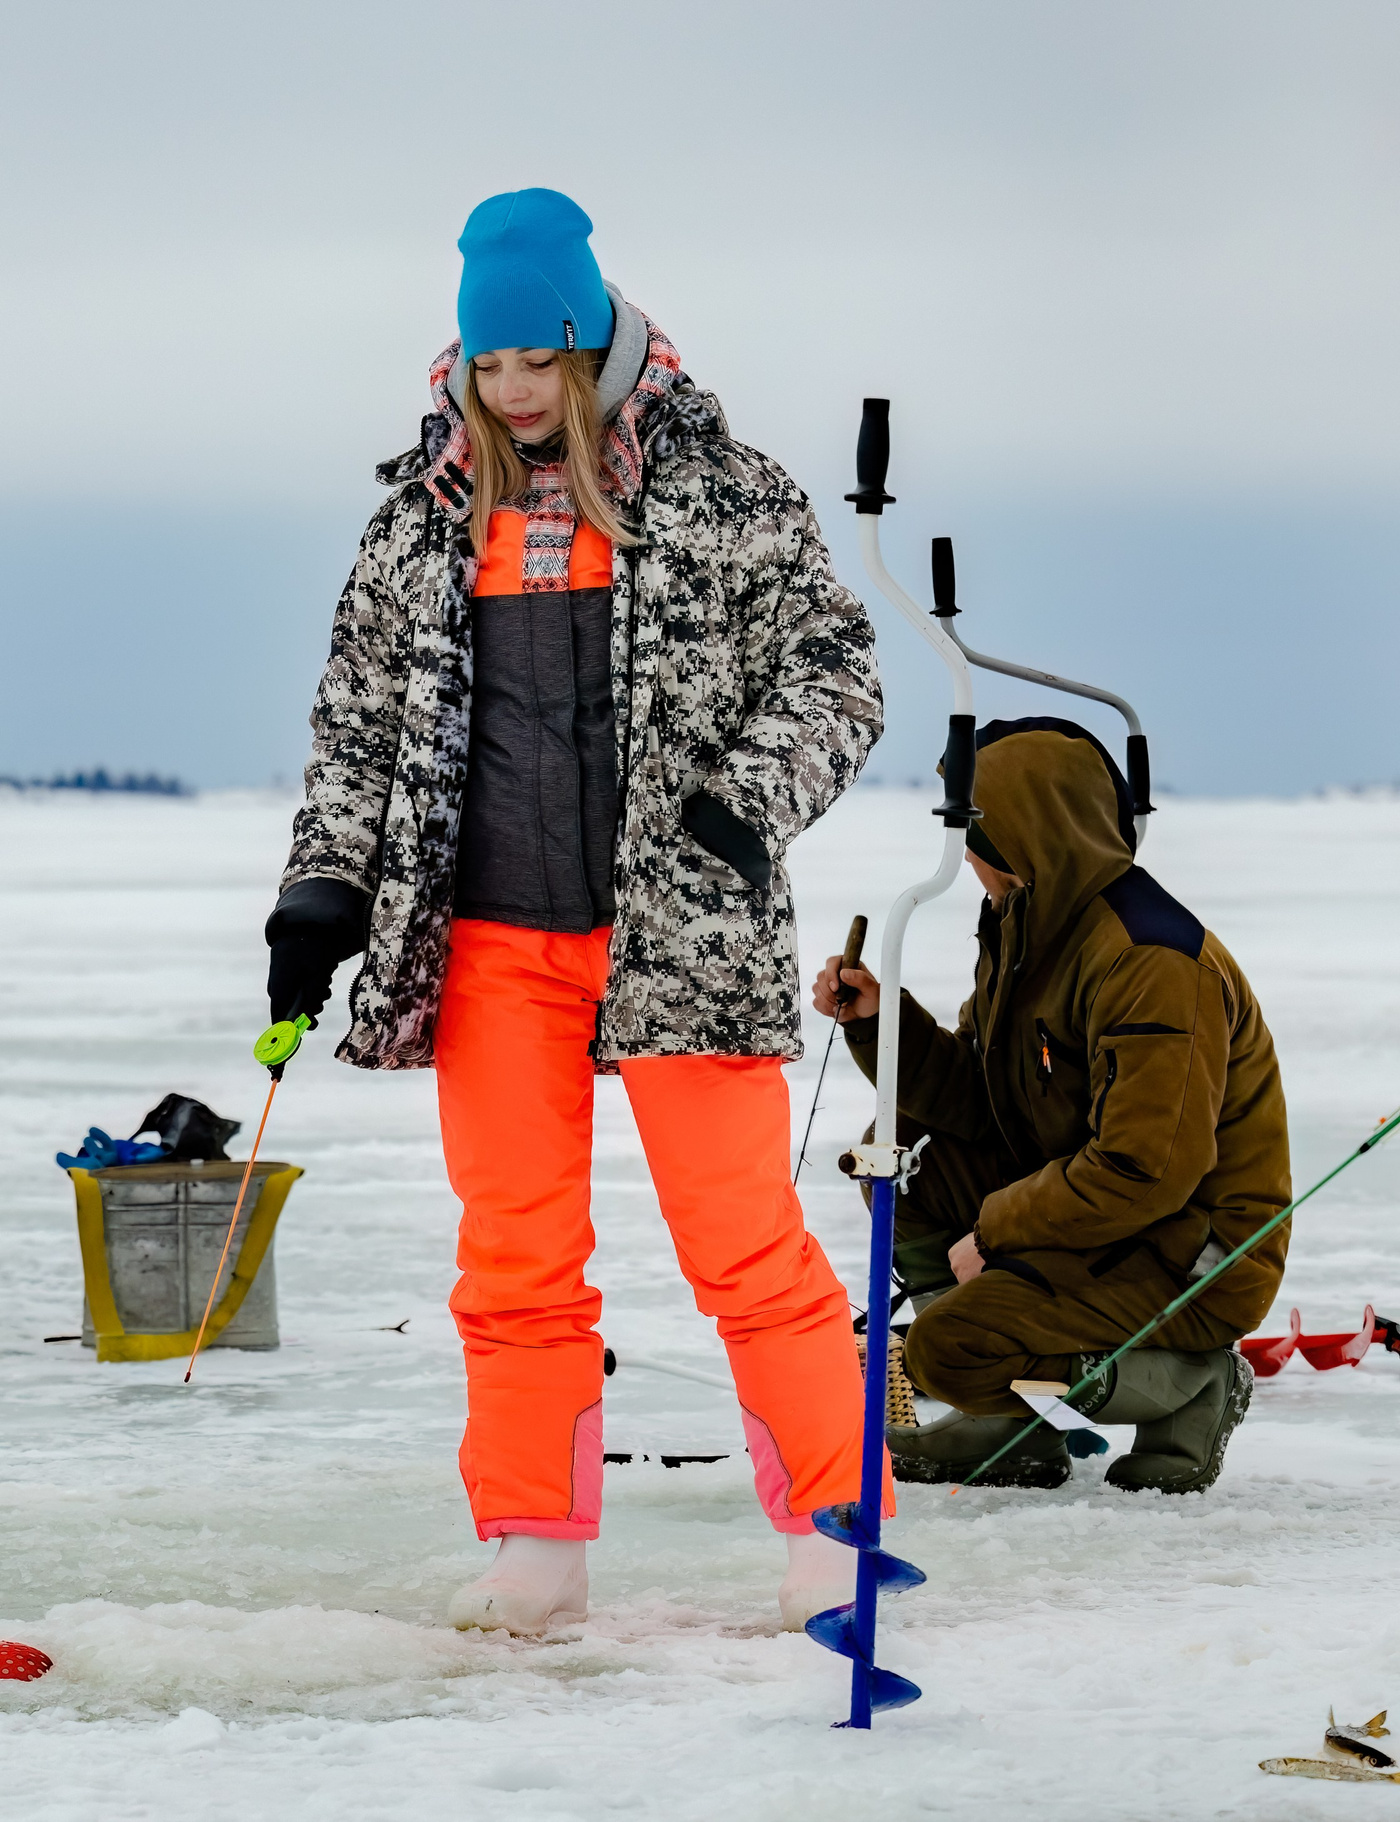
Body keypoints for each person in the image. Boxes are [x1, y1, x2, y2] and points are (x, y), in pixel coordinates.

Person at [267, 188, 886, 1637]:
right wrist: (321, 890)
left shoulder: (726, 491)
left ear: (591, 338)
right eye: (490, 368)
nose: (515, 392)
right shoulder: (422, 518)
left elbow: (841, 669)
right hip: (493, 936)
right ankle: (535, 1538)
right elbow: (358, 728)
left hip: (678, 923)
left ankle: (836, 1530)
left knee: (744, 1241)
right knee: (514, 1249)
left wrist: (741, 808)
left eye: (537, 361)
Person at [814, 718, 1289, 1493]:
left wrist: (996, 1230)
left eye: (972, 830)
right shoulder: (1029, 925)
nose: (963, 854)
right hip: (1097, 1215)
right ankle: (1010, 1422)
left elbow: (1144, 1170)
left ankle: (1196, 1380)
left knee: (950, 1345)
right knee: (902, 1159)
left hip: (1188, 1253)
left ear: (1033, 828)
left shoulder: (1152, 962)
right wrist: (879, 1022)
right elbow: (982, 1096)